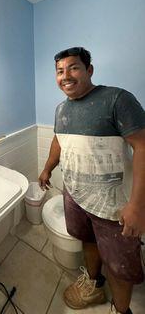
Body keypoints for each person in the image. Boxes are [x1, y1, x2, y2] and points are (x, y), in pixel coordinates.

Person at [39, 47, 145, 314]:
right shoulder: (61, 109)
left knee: (118, 264)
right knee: (87, 239)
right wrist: (47, 168)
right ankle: (94, 284)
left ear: (89, 70)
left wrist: (137, 206)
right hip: (74, 193)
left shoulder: (116, 99)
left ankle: (120, 310)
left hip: (113, 204)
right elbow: (58, 141)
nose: (65, 76)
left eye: (73, 68)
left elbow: (142, 146)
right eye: (60, 71)